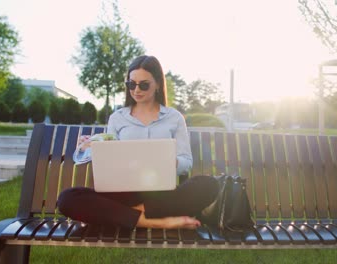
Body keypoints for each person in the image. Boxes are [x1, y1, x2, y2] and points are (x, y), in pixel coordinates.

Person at [57, 55, 218, 230]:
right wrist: (92, 148)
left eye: (144, 84)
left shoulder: (174, 117)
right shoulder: (117, 118)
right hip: (123, 193)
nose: (136, 90)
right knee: (67, 198)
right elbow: (109, 162)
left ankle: (123, 216)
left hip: (161, 195)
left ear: (157, 84)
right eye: (131, 84)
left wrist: (172, 162)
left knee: (208, 185)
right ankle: (154, 221)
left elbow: (186, 162)